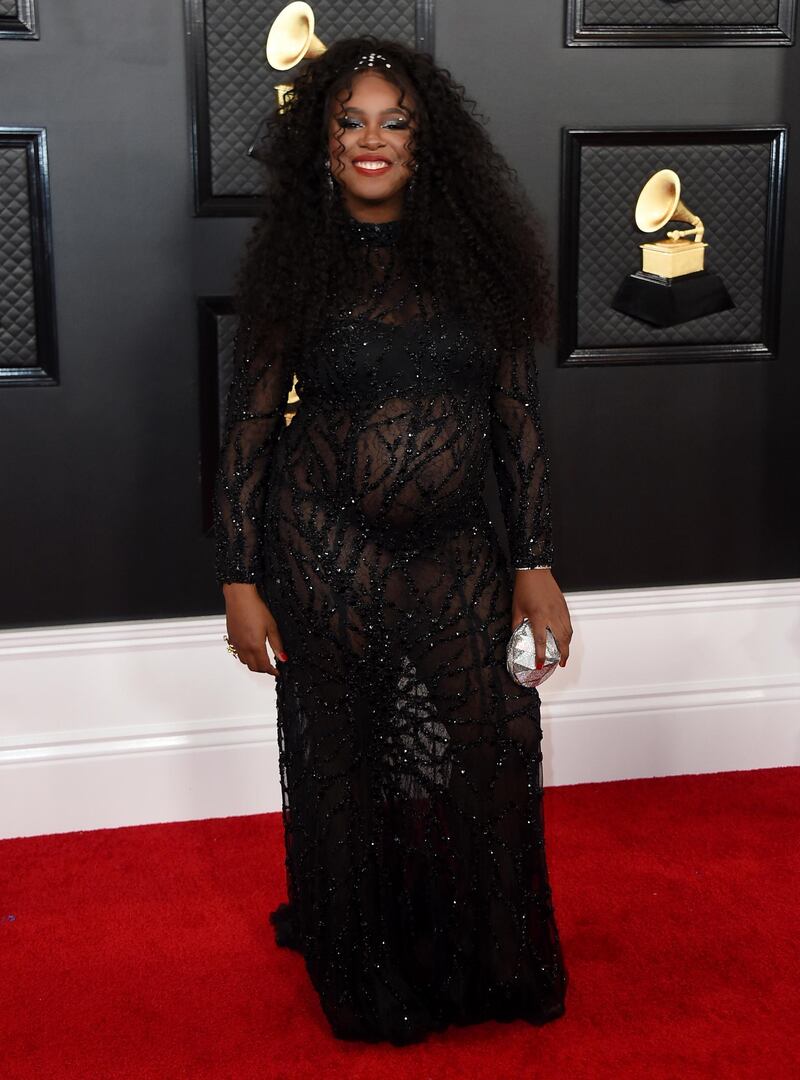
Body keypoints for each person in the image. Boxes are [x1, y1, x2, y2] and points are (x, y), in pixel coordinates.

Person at [214, 36, 573, 1046]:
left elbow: (516, 424)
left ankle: (489, 960)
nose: (372, 140)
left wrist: (533, 562)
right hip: (321, 547)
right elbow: (245, 431)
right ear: (322, 147)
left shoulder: (479, 260)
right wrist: (239, 577)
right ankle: (364, 963)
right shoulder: (294, 271)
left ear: (427, 144)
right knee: (347, 760)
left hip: (459, 547)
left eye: (395, 122)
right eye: (350, 122)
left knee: (492, 745)